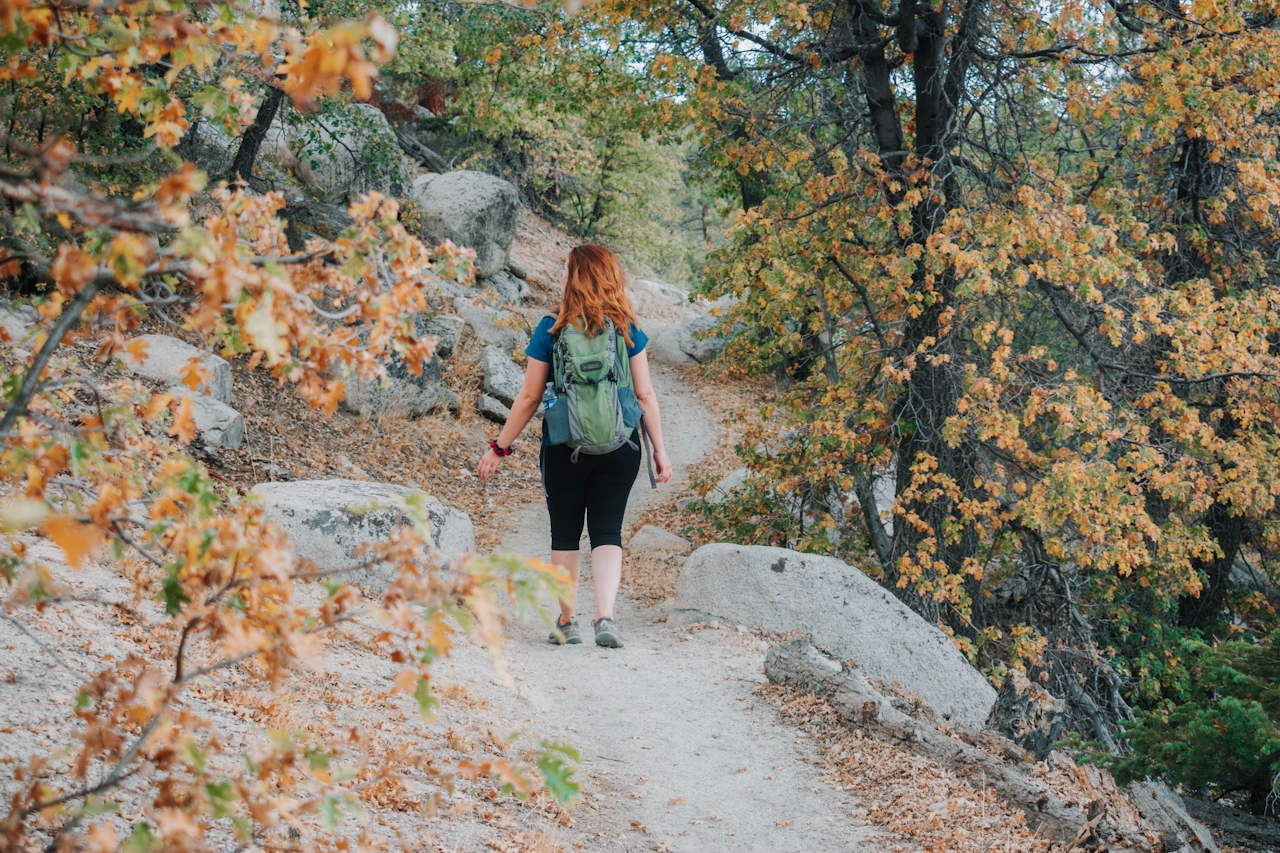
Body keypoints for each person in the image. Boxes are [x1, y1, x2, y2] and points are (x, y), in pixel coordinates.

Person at [477, 244, 673, 649]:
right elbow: (646, 394)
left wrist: (500, 447)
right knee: (607, 530)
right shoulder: (627, 329)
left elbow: (529, 398)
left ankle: (568, 621)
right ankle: (606, 617)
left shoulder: (551, 328)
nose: (562, 275)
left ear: (576, 277)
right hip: (622, 446)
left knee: (565, 532)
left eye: (566, 270)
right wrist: (659, 449)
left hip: (563, 445)